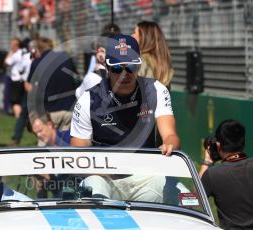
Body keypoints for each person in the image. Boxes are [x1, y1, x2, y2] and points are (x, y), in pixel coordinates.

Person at [70, 34, 180, 201]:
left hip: (144, 174)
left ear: (139, 65)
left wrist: (169, 144)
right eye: (116, 68)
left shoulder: (156, 90)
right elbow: (78, 150)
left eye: (131, 67)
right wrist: (103, 170)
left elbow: (170, 134)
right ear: (106, 67)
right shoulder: (89, 99)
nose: (124, 74)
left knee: (159, 181)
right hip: (104, 176)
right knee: (94, 185)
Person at [199, 119, 253, 230]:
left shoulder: (213, 174)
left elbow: (192, 199)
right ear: (243, 142)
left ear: (218, 144)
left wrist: (207, 162)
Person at [131, 21, 174, 88]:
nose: (131, 36)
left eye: (134, 32)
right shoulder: (164, 64)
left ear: (144, 37)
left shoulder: (139, 60)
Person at [5, 37, 25, 119]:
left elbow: (6, 62)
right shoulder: (24, 53)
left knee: (15, 101)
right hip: (23, 80)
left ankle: (18, 118)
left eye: (12, 45)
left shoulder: (16, 55)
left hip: (16, 80)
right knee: (21, 101)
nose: (11, 46)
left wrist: (10, 52)